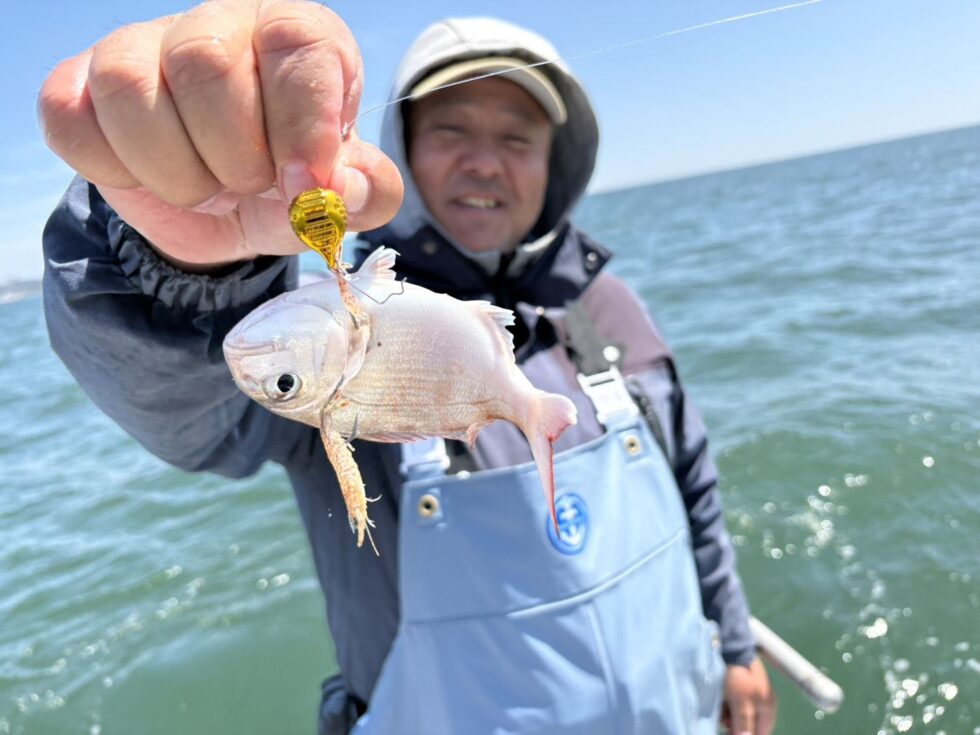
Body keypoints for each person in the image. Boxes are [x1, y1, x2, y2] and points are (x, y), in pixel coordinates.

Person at [39, 3, 775, 733]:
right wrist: (181, 263)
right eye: (451, 131)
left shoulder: (609, 308)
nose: (484, 161)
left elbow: (695, 486)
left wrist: (735, 644)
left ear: (556, 163)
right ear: (405, 151)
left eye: (517, 138)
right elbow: (187, 409)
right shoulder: (333, 317)